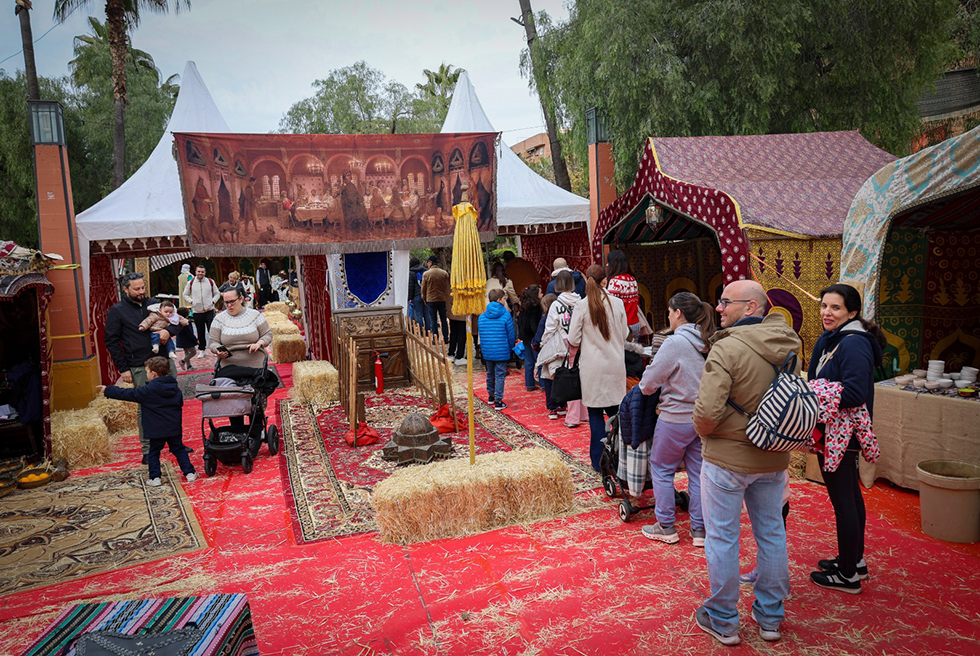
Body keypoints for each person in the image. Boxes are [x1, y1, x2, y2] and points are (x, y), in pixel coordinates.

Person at [692, 279, 800, 646]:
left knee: (723, 538)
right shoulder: (788, 343)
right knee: (772, 534)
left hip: (727, 458)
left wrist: (708, 433)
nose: (719, 308)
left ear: (751, 307)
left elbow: (706, 412)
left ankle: (723, 618)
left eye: (726, 302)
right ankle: (770, 616)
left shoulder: (727, 347)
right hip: (773, 456)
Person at [807, 283, 885, 594]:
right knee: (850, 497)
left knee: (844, 502)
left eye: (835, 307)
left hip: (842, 434)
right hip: (832, 429)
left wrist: (814, 393)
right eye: (824, 305)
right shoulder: (834, 338)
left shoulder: (853, 344)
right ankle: (854, 560)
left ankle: (848, 576)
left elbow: (854, 393)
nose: (827, 312)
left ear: (852, 312)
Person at [638, 291, 715, 546]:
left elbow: (648, 383)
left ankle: (666, 525)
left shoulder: (675, 343)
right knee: (699, 473)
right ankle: (700, 529)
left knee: (661, 469)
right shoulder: (707, 340)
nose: (668, 317)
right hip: (702, 417)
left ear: (678, 313)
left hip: (675, 417)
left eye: (669, 312)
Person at [104, 273, 180, 461]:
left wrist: (167, 330)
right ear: (125, 289)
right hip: (139, 365)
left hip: (163, 361)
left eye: (143, 287)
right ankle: (147, 450)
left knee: (172, 401)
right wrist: (123, 368)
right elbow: (111, 341)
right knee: (145, 406)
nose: (141, 292)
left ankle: (176, 444)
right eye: (136, 289)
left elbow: (176, 321)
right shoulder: (117, 311)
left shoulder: (154, 304)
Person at [567, 264, 630, 471]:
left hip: (592, 367)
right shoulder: (617, 303)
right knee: (616, 413)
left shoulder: (582, 306)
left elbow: (573, 339)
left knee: (595, 414)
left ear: (587, 280)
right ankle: (619, 458)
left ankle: (599, 461)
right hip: (615, 365)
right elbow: (624, 334)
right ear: (605, 281)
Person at [98, 356, 196, 486]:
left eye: (147, 372)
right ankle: (190, 473)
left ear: (153, 374)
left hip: (156, 429)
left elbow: (127, 393)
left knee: (154, 452)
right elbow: (180, 404)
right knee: (178, 449)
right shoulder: (175, 388)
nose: (147, 374)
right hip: (173, 427)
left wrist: (108, 390)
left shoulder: (147, 391)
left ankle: (155, 478)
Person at [536, 273, 581, 422]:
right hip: (580, 342)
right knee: (579, 376)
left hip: (563, 342)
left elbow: (550, 327)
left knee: (565, 376)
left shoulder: (556, 304)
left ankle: (570, 414)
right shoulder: (580, 301)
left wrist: (544, 343)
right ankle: (582, 413)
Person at [209, 288, 273, 370]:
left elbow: (267, 334)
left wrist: (259, 344)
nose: (229, 305)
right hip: (228, 367)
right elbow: (213, 342)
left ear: (241, 299)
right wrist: (217, 349)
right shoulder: (218, 319)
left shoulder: (255, 315)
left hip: (256, 365)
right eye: (226, 302)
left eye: (232, 301)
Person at [479, 289, 515, 410]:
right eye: (504, 299)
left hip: (487, 350)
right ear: (499, 300)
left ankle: (491, 396)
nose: (505, 301)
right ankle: (498, 400)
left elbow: (482, 335)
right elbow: (511, 334)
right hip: (502, 349)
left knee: (490, 374)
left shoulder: (482, 317)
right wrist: (510, 347)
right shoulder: (506, 315)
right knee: (500, 375)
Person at [182, 265, 220, 357]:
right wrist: (192, 302)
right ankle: (202, 349)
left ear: (205, 273)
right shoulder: (191, 283)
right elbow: (185, 294)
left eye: (202, 272)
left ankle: (215, 349)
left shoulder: (210, 282)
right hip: (197, 311)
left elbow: (217, 293)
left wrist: (213, 301)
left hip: (209, 310)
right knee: (200, 331)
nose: (200, 273)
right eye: (199, 271)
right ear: (195, 272)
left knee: (212, 331)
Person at [605, 250, 641, 337]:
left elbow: (611, 307)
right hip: (635, 323)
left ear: (613, 264)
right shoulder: (632, 279)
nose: (606, 265)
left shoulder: (615, 281)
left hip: (623, 326)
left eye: (608, 262)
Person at [517, 285, 543, 392]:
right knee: (540, 360)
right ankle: (543, 384)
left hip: (525, 336)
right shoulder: (536, 308)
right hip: (533, 337)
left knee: (528, 361)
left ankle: (529, 383)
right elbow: (534, 325)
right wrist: (538, 336)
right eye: (540, 293)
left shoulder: (523, 306)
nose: (542, 294)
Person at [421, 255, 451, 342]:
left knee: (433, 320)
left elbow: (423, 288)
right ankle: (446, 337)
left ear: (431, 263)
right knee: (443, 319)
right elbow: (447, 287)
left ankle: (435, 338)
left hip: (431, 300)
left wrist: (424, 298)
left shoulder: (426, 274)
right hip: (442, 299)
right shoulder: (444, 273)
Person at [407, 256, 428, 329]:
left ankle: (421, 331)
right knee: (427, 314)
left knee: (419, 314)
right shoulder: (426, 271)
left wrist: (410, 298)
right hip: (426, 295)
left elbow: (411, 286)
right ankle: (428, 331)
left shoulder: (411, 272)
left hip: (416, 295)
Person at [447, 294, 467, 365]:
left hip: (452, 312)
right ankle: (459, 357)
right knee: (462, 335)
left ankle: (451, 354)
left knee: (453, 333)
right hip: (462, 313)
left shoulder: (450, 288)